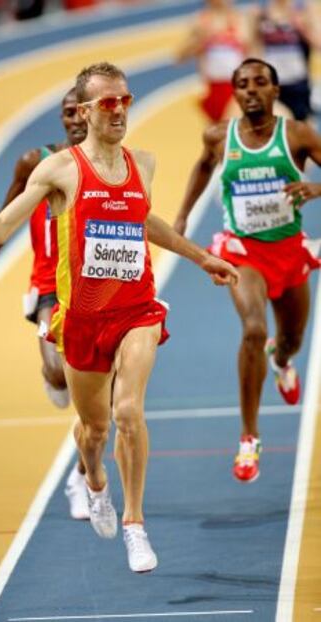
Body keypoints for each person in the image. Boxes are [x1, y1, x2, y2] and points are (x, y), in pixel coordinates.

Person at [0, 62, 238, 572]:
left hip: (137, 309)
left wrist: (200, 256)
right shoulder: (58, 170)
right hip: (82, 319)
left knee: (129, 413)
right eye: (109, 102)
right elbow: (1, 227)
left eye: (126, 100)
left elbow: (143, 220)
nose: (121, 110)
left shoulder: (142, 163)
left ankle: (134, 524)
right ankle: (94, 481)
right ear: (84, 111)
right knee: (94, 429)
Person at [174, 58, 321, 484]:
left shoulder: (298, 135)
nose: (251, 90)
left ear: (276, 91)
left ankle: (282, 358)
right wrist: (183, 215)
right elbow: (203, 165)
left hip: (290, 252)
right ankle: (249, 436)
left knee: (291, 340)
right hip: (244, 253)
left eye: (260, 82)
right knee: (253, 329)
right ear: (234, 92)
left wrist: (315, 187)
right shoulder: (220, 136)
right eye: (243, 84)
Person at [0, 87, 90, 521]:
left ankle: (80, 474)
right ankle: (52, 376)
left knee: (97, 400)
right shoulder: (35, 162)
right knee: (59, 371)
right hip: (50, 286)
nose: (74, 119)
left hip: (95, 287)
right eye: (67, 112)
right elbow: (1, 223)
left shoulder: (110, 163)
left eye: (81, 111)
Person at [175, 0, 254, 123]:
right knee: (217, 137)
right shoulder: (200, 21)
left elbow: (252, 54)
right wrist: (199, 40)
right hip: (212, 88)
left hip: (236, 88)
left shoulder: (240, 21)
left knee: (234, 133)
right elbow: (179, 58)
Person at [253, 0, 321, 121]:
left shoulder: (301, 12)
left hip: (297, 82)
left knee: (300, 126)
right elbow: (255, 48)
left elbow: (317, 44)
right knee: (276, 126)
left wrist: (303, 27)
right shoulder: (261, 13)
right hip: (273, 83)